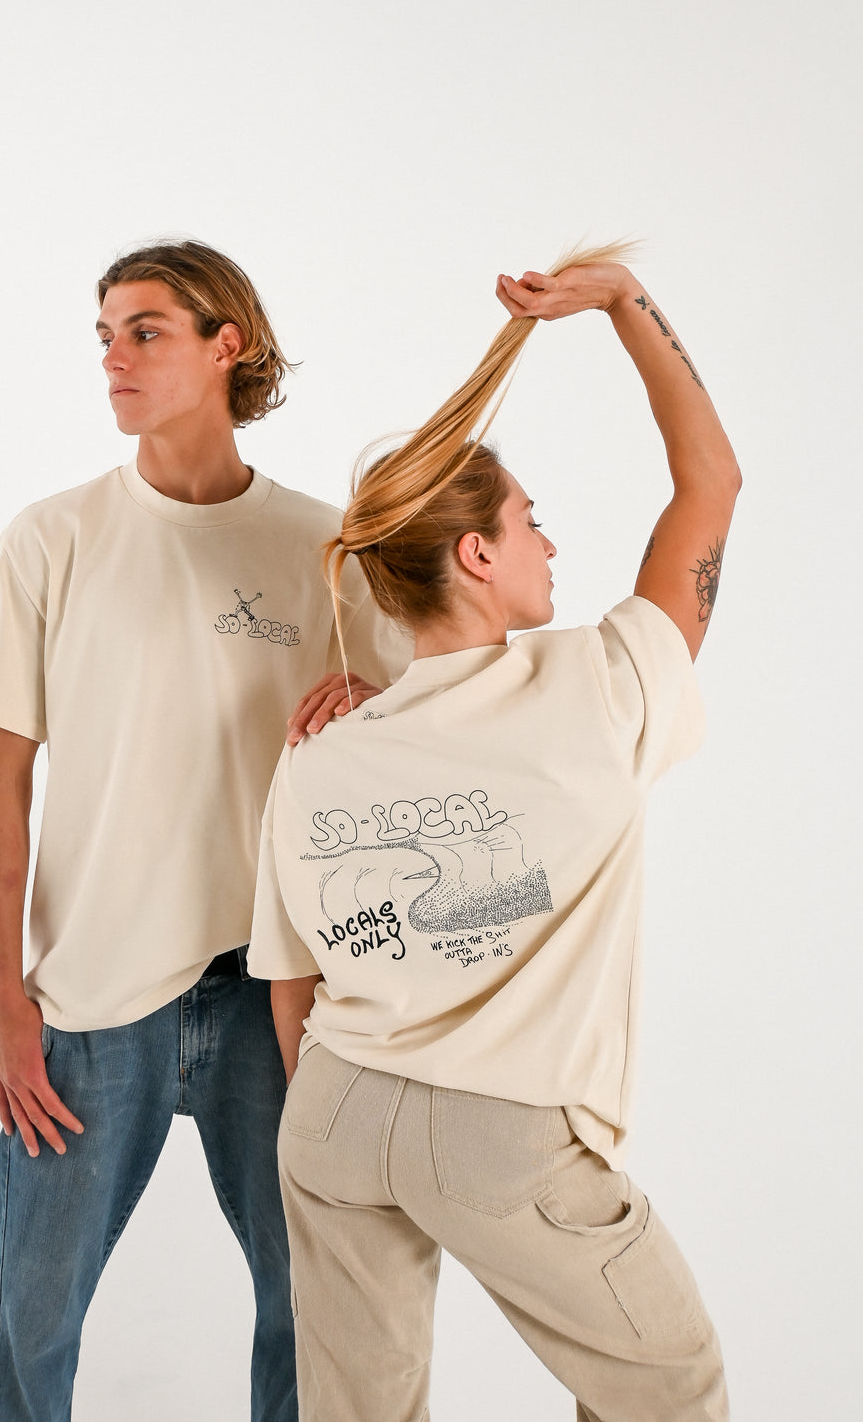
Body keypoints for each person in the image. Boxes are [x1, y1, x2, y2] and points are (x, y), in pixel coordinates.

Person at [249, 244, 741, 1422]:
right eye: (531, 522)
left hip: (331, 1115)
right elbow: (709, 484)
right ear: (474, 554)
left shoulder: (320, 751)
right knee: (669, 1389)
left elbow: (291, 985)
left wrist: (353, 1127)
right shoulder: (602, 684)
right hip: (501, 1138)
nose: (551, 545)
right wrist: (624, 301)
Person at [0, 240, 405, 1422]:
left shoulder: (325, 548)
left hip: (279, 989)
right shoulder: (54, 539)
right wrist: (4, 998)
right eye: (103, 335)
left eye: (144, 331)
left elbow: (420, 740)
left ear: (223, 345)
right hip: (95, 998)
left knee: (315, 1302)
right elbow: (2, 785)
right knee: (34, 1313)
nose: (113, 358)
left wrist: (372, 704)